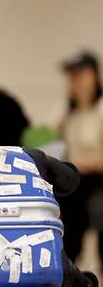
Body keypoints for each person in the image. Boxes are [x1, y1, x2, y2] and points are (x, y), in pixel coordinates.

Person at [55, 51, 103, 263]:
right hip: (75, 183)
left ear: (91, 76)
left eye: (77, 76)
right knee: (68, 236)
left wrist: (88, 164)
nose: (73, 83)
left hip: (97, 182)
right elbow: (45, 138)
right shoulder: (68, 112)